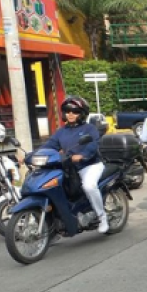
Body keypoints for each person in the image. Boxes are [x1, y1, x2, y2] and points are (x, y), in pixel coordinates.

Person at [41, 96, 107, 233]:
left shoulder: (89, 129)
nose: (70, 114)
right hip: (68, 167)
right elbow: (49, 145)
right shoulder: (61, 132)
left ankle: (102, 217)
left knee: (89, 186)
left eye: (75, 111)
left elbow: (93, 145)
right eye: (67, 111)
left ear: (82, 113)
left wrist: (82, 155)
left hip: (89, 165)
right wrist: (34, 155)